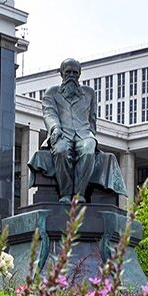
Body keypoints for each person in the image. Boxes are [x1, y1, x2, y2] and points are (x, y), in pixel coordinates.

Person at [41, 58, 97, 202]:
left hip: (83, 134)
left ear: (79, 74)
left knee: (89, 149)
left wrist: (91, 135)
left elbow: (92, 118)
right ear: (61, 74)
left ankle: (79, 195)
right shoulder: (51, 93)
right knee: (61, 151)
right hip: (62, 133)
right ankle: (65, 194)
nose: (71, 76)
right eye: (68, 72)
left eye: (75, 73)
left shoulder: (89, 93)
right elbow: (49, 113)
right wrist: (55, 128)